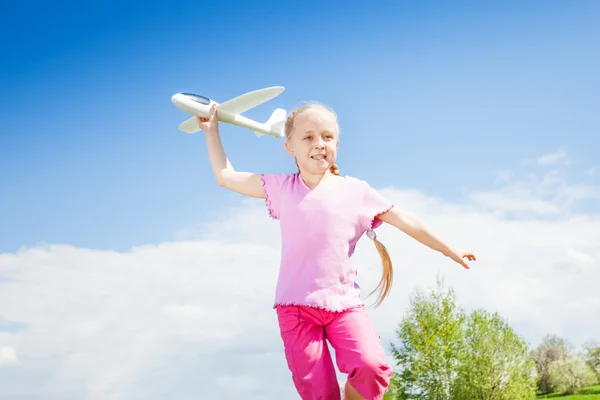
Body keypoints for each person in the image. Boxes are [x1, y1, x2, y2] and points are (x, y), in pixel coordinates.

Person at [195, 102, 476, 400]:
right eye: (308, 137)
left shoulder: (356, 191)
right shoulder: (281, 188)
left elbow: (405, 220)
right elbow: (226, 176)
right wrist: (211, 130)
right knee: (319, 392)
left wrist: (449, 249)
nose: (319, 144)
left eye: (327, 137)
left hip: (344, 306)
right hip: (296, 310)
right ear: (290, 147)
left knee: (372, 367)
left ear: (337, 144)